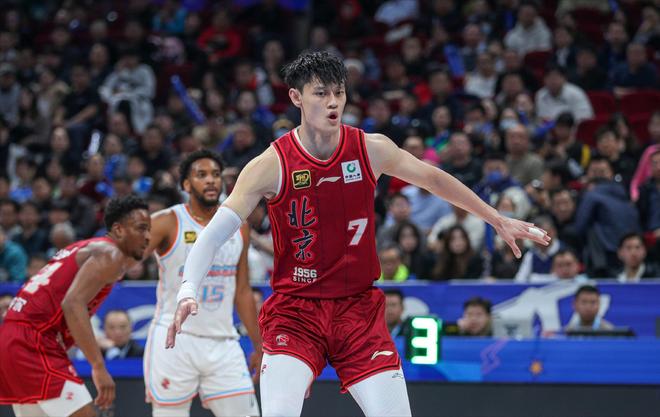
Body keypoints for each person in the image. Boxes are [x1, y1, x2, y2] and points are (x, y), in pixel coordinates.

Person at [167, 51, 550, 417]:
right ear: (297, 97)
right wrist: (188, 289)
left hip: (358, 309)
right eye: (321, 93)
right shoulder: (271, 164)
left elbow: (433, 178)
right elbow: (214, 234)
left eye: (339, 92)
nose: (333, 102)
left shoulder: (371, 148)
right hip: (296, 311)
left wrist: (496, 218)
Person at [0, 195, 151, 417]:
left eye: (149, 230)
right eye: (141, 228)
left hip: (15, 337)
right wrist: (98, 366)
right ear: (118, 229)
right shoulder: (111, 254)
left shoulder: (88, 247)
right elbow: (72, 304)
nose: (148, 236)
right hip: (34, 342)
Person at [143, 149, 261, 417]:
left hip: (223, 341)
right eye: (201, 175)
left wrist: (258, 344)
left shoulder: (239, 226)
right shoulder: (166, 221)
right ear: (186, 184)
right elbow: (127, 257)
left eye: (216, 175)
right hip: (174, 339)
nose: (210, 180)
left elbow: (242, 291)